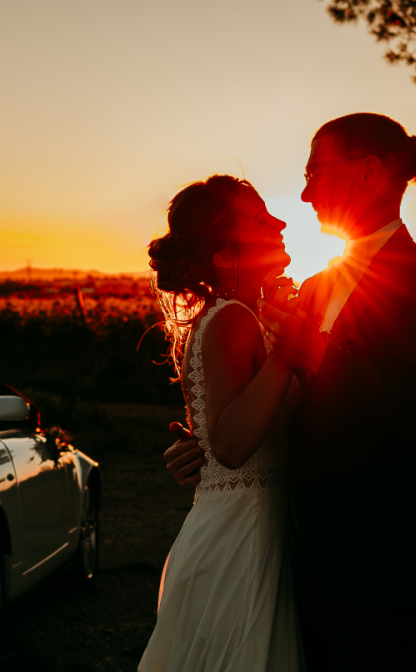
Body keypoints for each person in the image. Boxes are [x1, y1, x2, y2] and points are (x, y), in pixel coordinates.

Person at [163, 113, 416, 671]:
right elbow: (279, 405)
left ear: (368, 172)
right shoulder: (315, 286)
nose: (302, 195)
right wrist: (209, 449)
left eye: (314, 173)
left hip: (373, 565)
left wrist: (320, 356)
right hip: (289, 559)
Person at [138, 174, 305, 672]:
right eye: (259, 221)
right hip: (243, 534)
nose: (279, 222)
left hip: (244, 522)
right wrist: (288, 355)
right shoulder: (233, 319)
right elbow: (231, 447)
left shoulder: (245, 315)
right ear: (224, 256)